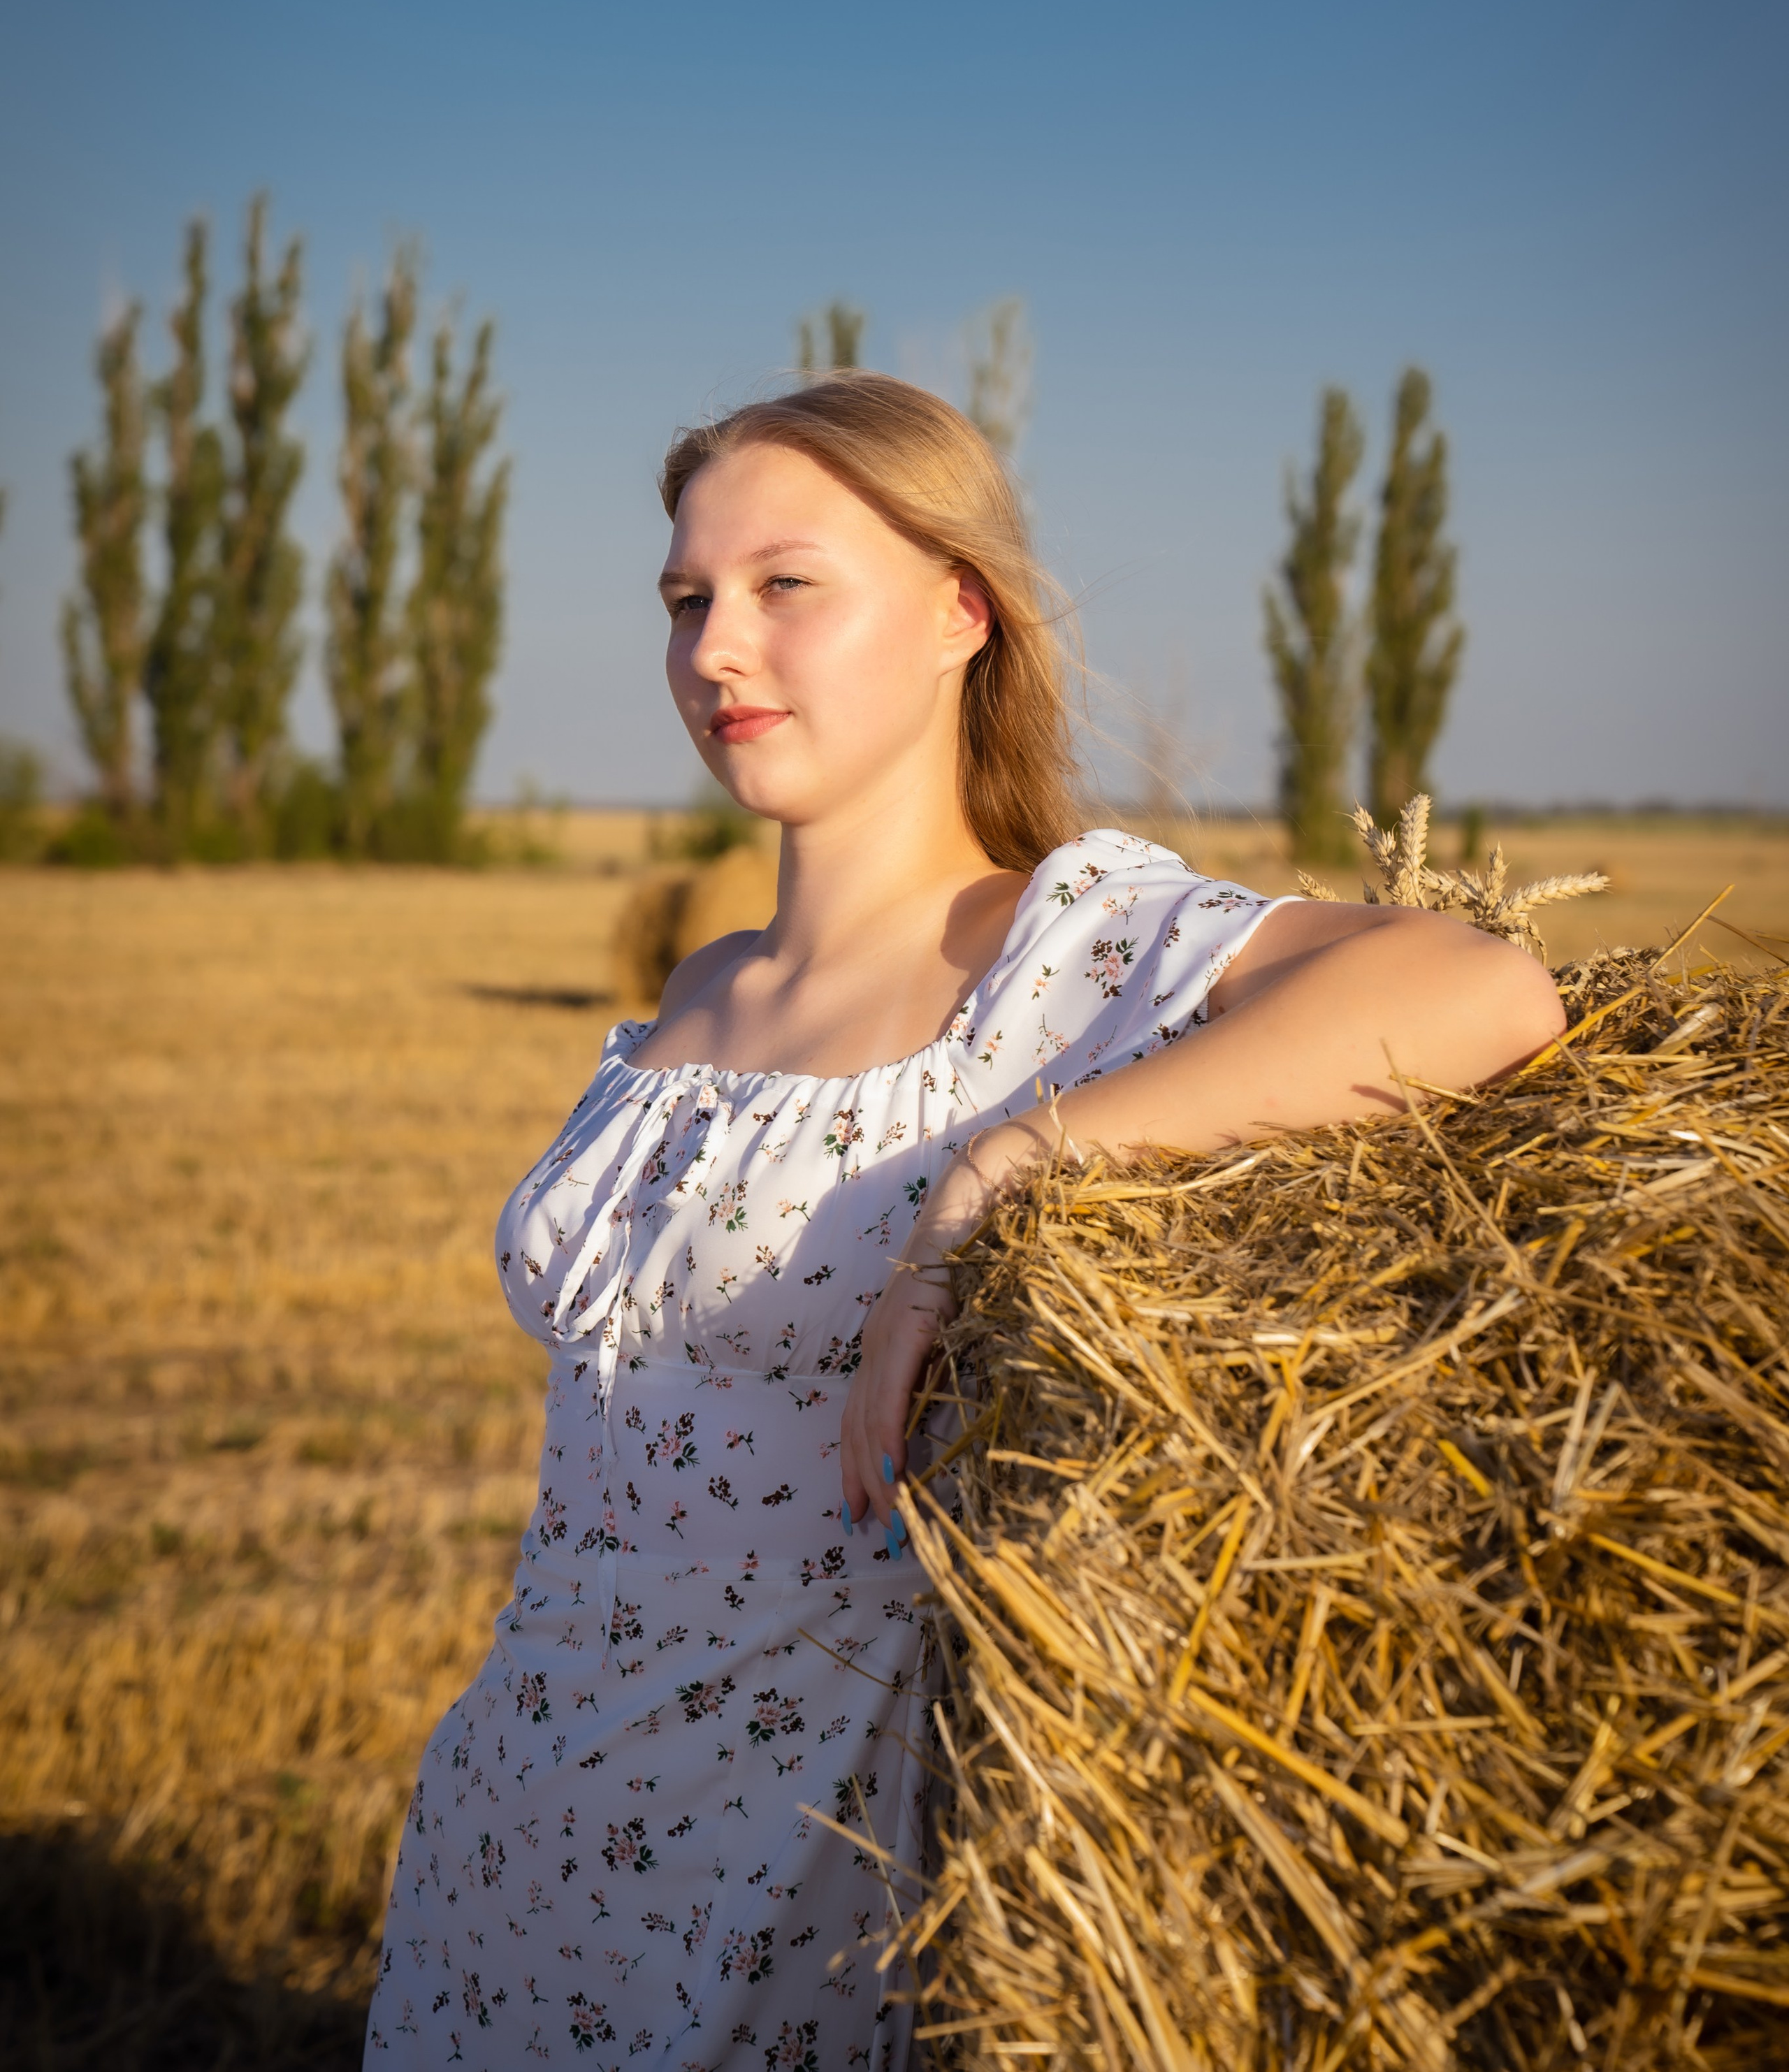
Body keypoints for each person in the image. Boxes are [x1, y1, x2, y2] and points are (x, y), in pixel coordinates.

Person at [365, 375, 1562, 2072]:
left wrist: (1012, 1160)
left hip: (791, 1880)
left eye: (784, 587)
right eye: (686, 600)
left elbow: (1477, 985)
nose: (714, 650)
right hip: (514, 1836)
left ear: (956, 611)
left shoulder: (1069, 952)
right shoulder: (698, 985)